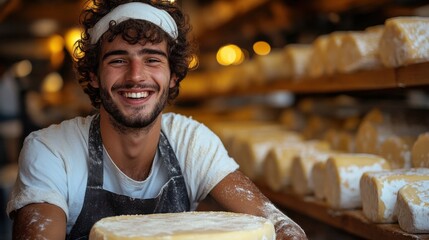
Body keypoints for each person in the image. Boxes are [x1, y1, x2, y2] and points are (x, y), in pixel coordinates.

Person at [6, 0, 307, 239]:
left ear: (173, 75)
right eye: (118, 60)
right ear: (94, 76)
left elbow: (285, 230)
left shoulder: (190, 141)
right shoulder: (51, 150)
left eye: (152, 59)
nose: (136, 76)